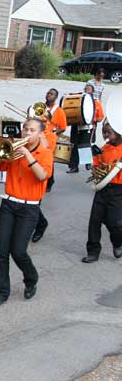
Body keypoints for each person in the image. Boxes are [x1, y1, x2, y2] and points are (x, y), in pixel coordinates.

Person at [0, 118, 53, 306]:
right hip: (9, 204)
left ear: (40, 133)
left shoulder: (45, 153)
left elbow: (42, 175)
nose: (27, 133)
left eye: (32, 130)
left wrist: (26, 154)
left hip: (29, 207)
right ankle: (1, 291)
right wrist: (3, 153)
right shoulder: (14, 151)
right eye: (25, 129)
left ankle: (31, 278)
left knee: (18, 251)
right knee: (1, 251)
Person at [82, 118, 122, 263]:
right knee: (95, 221)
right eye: (104, 132)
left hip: (119, 190)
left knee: (115, 223)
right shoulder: (105, 148)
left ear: (118, 133)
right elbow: (95, 166)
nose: (105, 136)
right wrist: (90, 160)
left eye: (109, 133)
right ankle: (92, 251)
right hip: (103, 188)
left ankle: (118, 242)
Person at [32, 88, 66, 242]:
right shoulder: (32, 131)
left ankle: (40, 224)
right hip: (27, 168)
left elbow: (45, 149)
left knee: (32, 205)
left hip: (40, 171)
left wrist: (43, 133)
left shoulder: (50, 136)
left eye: (44, 119)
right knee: (27, 204)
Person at [67, 84, 102, 174]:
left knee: (85, 145)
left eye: (89, 89)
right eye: (85, 89)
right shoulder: (78, 99)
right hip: (76, 125)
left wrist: (91, 119)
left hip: (88, 127)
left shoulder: (96, 102)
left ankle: (87, 163)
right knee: (74, 145)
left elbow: (100, 117)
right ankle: (74, 167)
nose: (87, 90)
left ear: (92, 91)